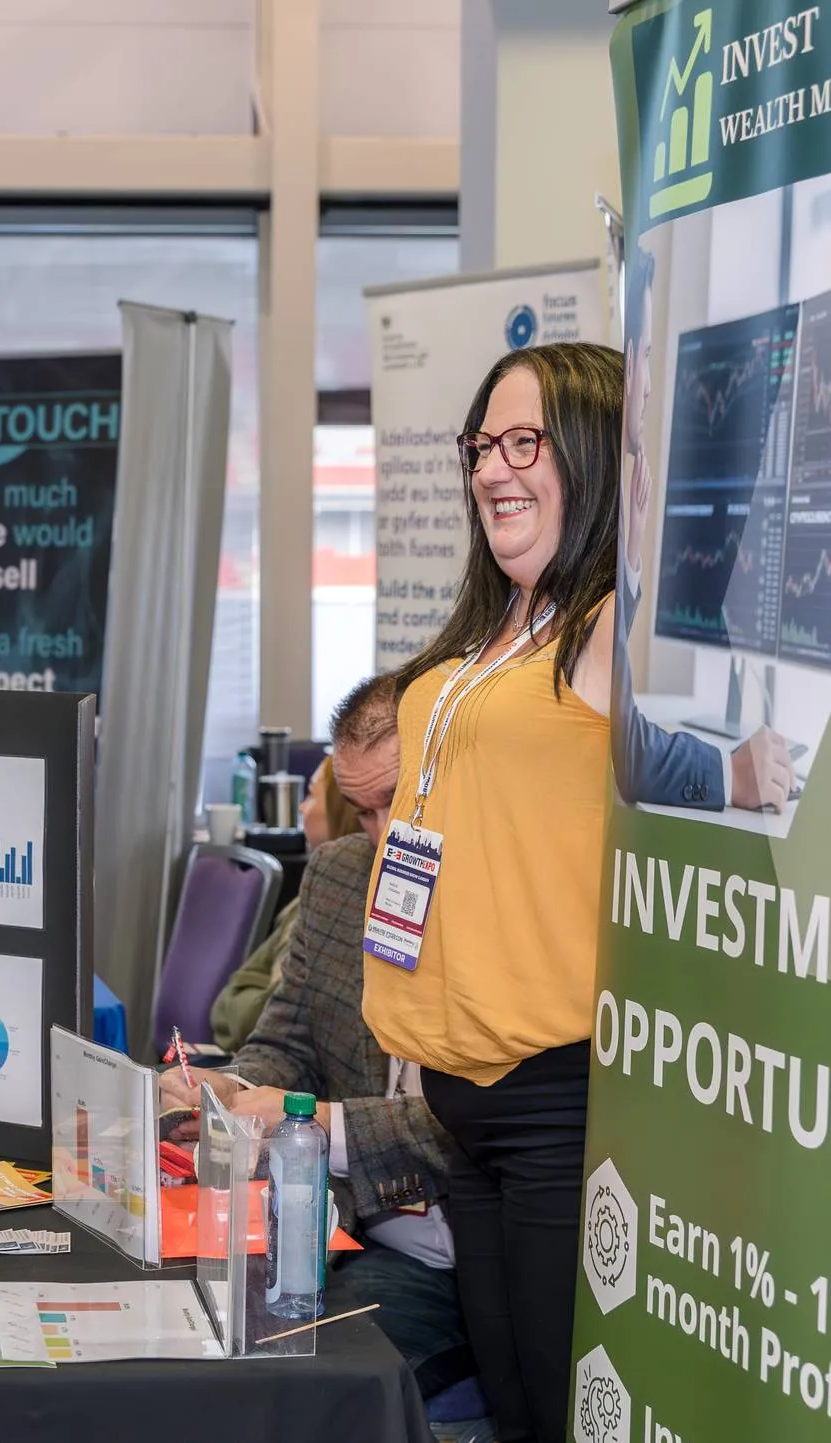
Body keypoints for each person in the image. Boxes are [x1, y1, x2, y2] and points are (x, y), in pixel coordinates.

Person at [362, 342, 622, 1443]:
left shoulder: (609, 625)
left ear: (596, 456)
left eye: (526, 443)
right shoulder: (492, 637)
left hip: (558, 1092)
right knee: (517, 1414)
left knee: (559, 1412)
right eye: (481, 446)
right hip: (458, 1097)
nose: (492, 471)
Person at [166, 676, 475, 1418]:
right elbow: (288, 1041)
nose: (381, 834)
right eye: (362, 809)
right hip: (345, 1225)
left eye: (394, 802)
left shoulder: (503, 902)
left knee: (297, 1383)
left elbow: (478, 1122)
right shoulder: (340, 877)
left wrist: (317, 1123)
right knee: (207, 1336)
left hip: (468, 1259)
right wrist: (233, 1088)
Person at [615, 240, 795, 811]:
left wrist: (630, 560)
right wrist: (730, 776)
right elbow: (621, 748)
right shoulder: (583, 501)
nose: (648, 385)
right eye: (644, 354)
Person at [207, 751, 361, 1051]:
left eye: (311, 795)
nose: (302, 807)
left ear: (342, 809)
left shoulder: (324, 907)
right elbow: (233, 999)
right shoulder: (306, 898)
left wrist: (240, 996)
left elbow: (251, 1014)